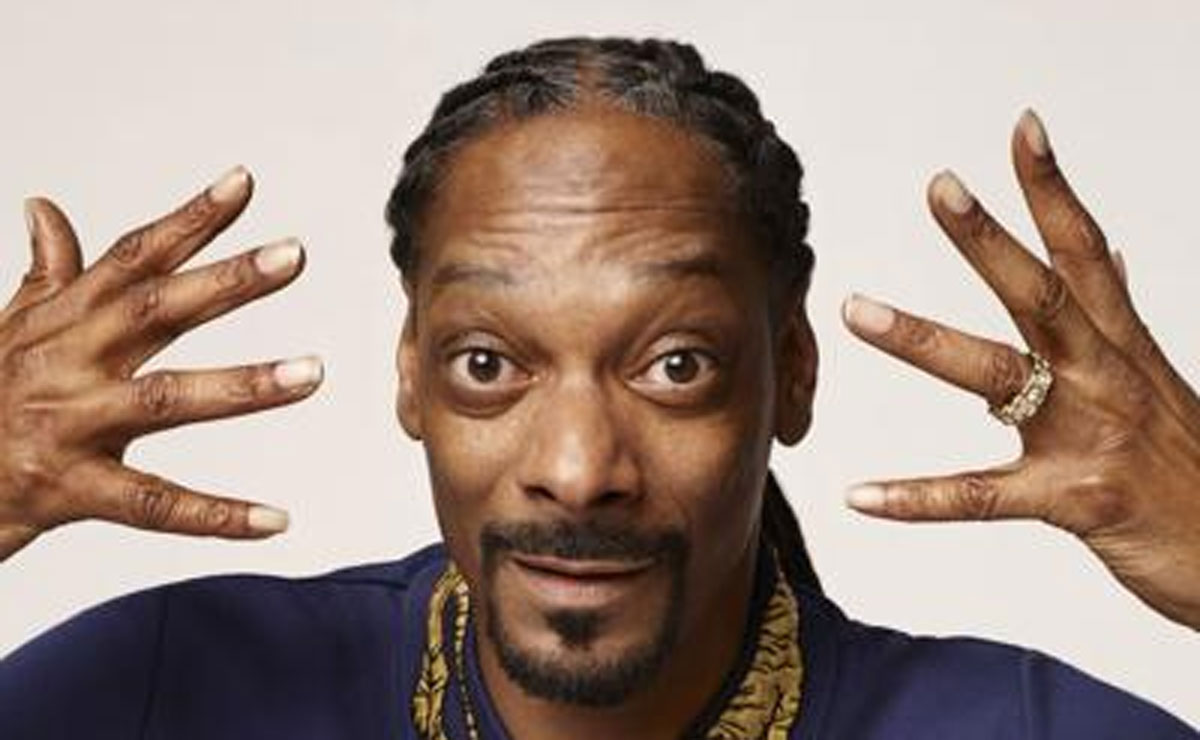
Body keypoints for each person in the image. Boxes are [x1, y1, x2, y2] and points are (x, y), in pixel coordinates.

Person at [0, 37, 1196, 738]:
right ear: (411, 374)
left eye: (676, 366)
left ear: (792, 372)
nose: (577, 469)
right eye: (488, 365)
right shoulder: (163, 687)